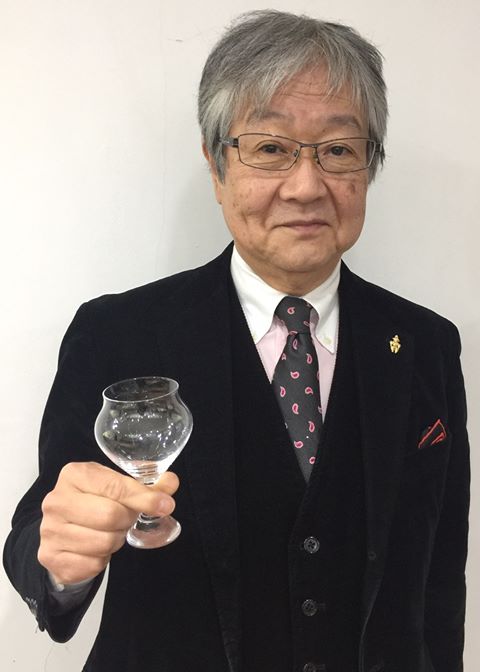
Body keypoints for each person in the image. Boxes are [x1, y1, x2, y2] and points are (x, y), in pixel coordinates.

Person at [3, 9, 470, 672]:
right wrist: (60, 564)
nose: (306, 186)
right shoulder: (118, 333)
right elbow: (41, 535)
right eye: (271, 148)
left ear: (369, 165)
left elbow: (439, 584)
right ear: (216, 162)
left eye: (339, 150)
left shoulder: (426, 344)